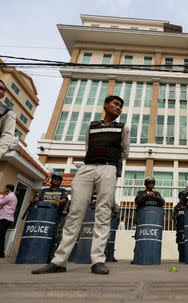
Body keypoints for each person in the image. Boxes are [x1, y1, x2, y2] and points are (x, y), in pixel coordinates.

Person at [32, 95, 130, 274]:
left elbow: (124, 152)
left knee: (103, 212)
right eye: (116, 104)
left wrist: (110, 166)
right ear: (106, 105)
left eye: (121, 106)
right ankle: (59, 261)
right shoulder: (92, 126)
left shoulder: (123, 128)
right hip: (87, 168)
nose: (118, 108)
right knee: (75, 213)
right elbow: (88, 148)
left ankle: (98, 261)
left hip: (108, 169)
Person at [32, 172, 68, 262]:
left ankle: (50, 257)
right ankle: (36, 255)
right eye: (55, 178)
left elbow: (65, 199)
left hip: (55, 218)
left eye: (58, 179)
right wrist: (36, 199)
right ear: (51, 180)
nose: (56, 180)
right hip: (42, 217)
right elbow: (38, 198)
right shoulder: (44, 191)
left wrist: (59, 201)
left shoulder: (62, 191)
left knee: (54, 237)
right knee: (40, 236)